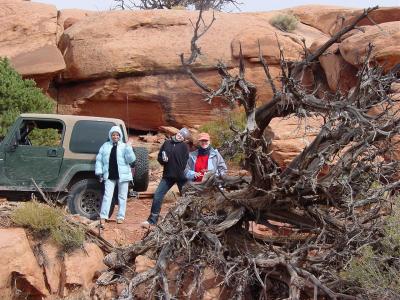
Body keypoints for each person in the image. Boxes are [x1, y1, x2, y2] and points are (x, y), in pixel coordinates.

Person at [142, 128, 191, 226]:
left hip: (181, 177)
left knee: (187, 197)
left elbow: (186, 161)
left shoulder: (184, 146)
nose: (180, 136)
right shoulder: (167, 143)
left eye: (183, 136)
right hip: (168, 176)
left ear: (184, 139)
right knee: (157, 196)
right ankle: (152, 220)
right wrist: (163, 160)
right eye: (180, 133)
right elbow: (160, 157)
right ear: (178, 133)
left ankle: (189, 220)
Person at [95, 126, 136, 225]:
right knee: (107, 196)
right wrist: (99, 172)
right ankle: (103, 217)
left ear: (120, 136)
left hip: (123, 176)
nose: (115, 136)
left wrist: (129, 147)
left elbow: (131, 160)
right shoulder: (105, 146)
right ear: (110, 135)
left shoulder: (124, 146)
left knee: (122, 197)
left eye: (117, 135)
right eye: (113, 134)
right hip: (109, 176)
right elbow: (99, 160)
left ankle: (120, 217)